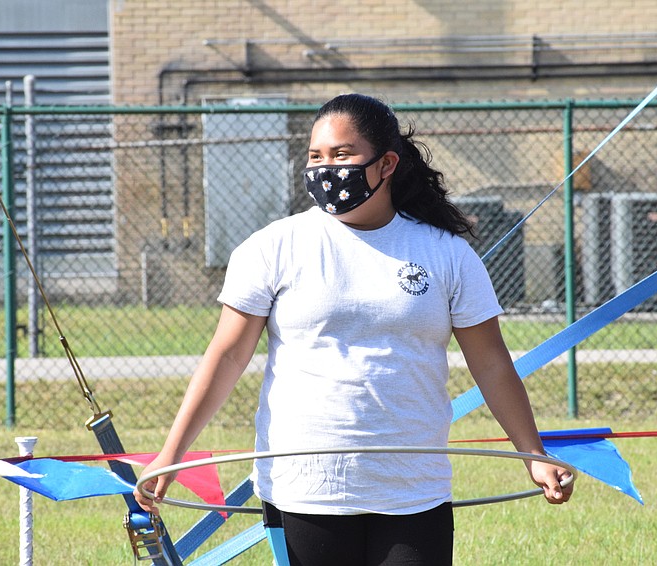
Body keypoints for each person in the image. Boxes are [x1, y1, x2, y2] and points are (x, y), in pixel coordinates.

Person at [134, 93, 573, 565]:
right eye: (315, 157)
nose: (326, 169)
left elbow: (490, 362)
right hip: (306, 487)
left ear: (386, 164)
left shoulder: (447, 253)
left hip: (413, 488)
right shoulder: (272, 248)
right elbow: (227, 355)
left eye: (342, 156)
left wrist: (533, 452)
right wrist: (171, 453)